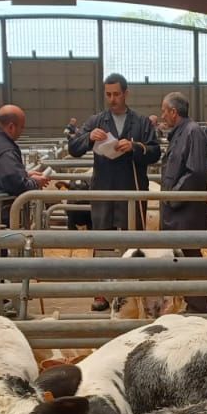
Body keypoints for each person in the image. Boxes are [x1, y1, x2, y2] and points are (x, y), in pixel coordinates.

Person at [67, 73, 160, 309]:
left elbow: (156, 151)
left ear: (126, 93)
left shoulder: (141, 122)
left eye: (116, 94)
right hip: (104, 190)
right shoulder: (97, 121)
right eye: (108, 94)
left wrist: (135, 147)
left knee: (133, 238)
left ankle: (132, 290)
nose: (112, 99)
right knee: (103, 238)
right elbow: (73, 149)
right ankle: (103, 292)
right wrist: (88, 137)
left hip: (133, 189)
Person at [158, 91, 207, 315]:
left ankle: (199, 310)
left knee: (190, 260)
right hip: (178, 213)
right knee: (183, 260)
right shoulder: (181, 133)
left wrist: (173, 197)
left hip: (186, 212)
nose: (162, 115)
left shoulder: (193, 133)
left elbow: (196, 173)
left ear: (173, 111)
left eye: (164, 111)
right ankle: (191, 306)